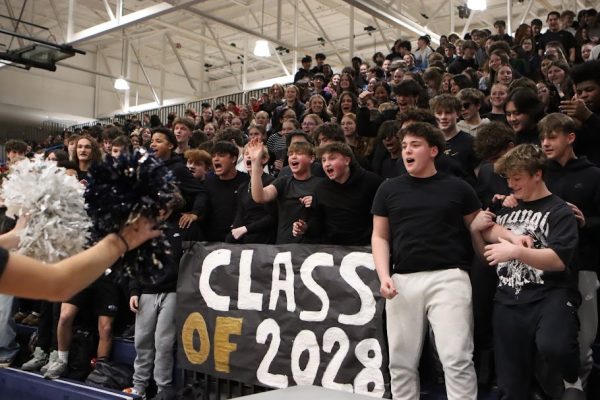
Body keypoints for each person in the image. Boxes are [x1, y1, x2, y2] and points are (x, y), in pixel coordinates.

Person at [371, 122, 482, 400]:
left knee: (456, 357)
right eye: (405, 145)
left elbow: (480, 226)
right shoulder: (388, 190)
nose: (407, 150)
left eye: (415, 144)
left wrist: (512, 239)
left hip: (450, 277)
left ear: (433, 150)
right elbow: (380, 237)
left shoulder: (459, 188)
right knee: (400, 361)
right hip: (402, 280)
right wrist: (384, 275)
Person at [470, 143, 584, 400]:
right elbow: (484, 255)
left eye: (517, 177)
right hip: (508, 300)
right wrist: (475, 231)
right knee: (511, 387)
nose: (511, 184)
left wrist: (517, 252)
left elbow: (558, 260)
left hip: (549, 294)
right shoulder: (507, 207)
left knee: (554, 347)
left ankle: (569, 379)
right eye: (508, 178)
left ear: (537, 174)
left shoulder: (559, 210)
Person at [538, 113, 600, 394]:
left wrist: (587, 221)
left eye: (552, 136)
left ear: (570, 137)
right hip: (541, 269)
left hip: (583, 266)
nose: (545, 143)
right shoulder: (539, 173)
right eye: (542, 138)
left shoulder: (593, 175)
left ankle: (577, 388)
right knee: (547, 340)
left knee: (583, 341)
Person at [249, 138, 322, 244]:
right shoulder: (283, 182)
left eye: (299, 153)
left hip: (313, 247)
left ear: (311, 158)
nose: (293, 156)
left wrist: (317, 201)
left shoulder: (321, 184)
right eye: (291, 154)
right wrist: (255, 163)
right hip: (284, 245)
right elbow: (259, 197)